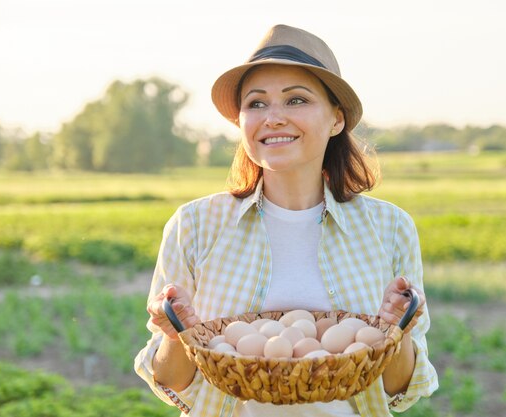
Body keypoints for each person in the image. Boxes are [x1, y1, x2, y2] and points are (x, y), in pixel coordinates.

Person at [134, 24, 438, 417]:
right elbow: (172, 380)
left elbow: (399, 390)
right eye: (256, 104)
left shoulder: (389, 228)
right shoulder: (196, 224)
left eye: (296, 100)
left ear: (336, 120)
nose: (273, 118)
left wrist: (396, 331)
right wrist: (178, 336)